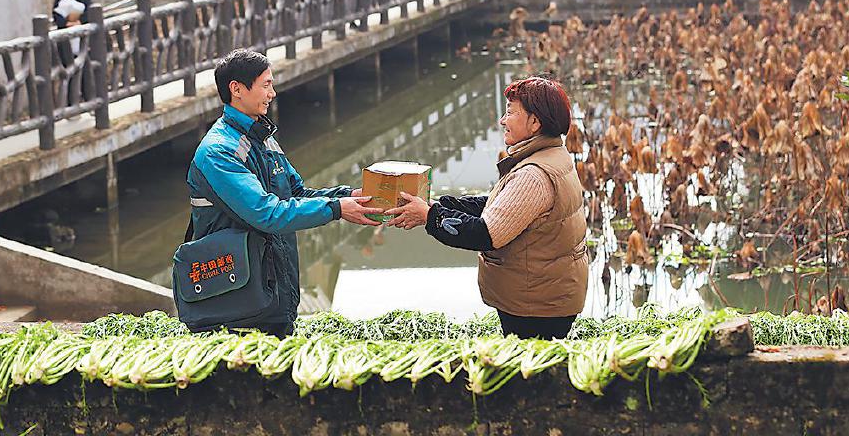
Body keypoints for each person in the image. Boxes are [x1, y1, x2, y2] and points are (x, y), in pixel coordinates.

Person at [185, 49, 381, 335]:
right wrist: (337, 210)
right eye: (266, 85)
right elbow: (267, 213)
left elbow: (296, 194)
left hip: (272, 294)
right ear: (236, 89)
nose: (272, 93)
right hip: (235, 304)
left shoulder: (263, 139)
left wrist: (346, 197)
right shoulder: (218, 152)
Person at [384, 76, 588, 339]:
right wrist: (438, 206)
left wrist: (429, 216)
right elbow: (502, 208)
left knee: (527, 362)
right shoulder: (551, 156)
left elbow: (485, 234)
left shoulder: (533, 175)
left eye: (510, 113)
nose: (503, 121)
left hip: (536, 306)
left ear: (535, 122)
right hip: (545, 297)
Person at [51, 0, 92, 71]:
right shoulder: (59, 1)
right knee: (67, 68)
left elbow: (89, 14)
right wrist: (69, 24)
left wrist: (79, 22)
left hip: (83, 40)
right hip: (65, 41)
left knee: (85, 69)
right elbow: (57, 18)